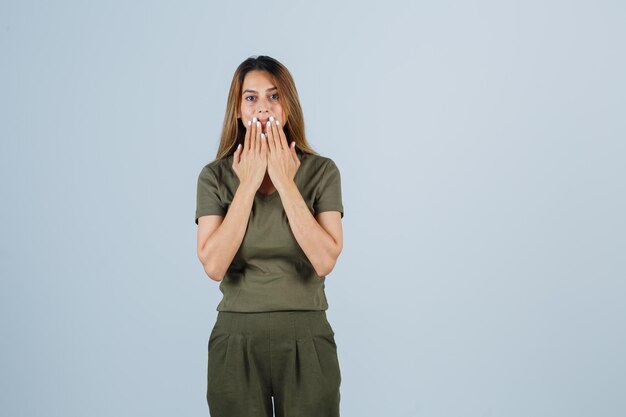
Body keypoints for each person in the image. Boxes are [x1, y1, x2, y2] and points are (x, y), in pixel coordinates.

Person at [195, 55, 344, 417]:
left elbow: (325, 259)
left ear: (288, 106)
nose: (263, 107)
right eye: (251, 97)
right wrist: (247, 183)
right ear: (238, 110)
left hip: (306, 337)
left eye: (274, 96)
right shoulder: (214, 177)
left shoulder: (322, 171)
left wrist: (284, 180)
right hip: (236, 338)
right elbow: (214, 265)